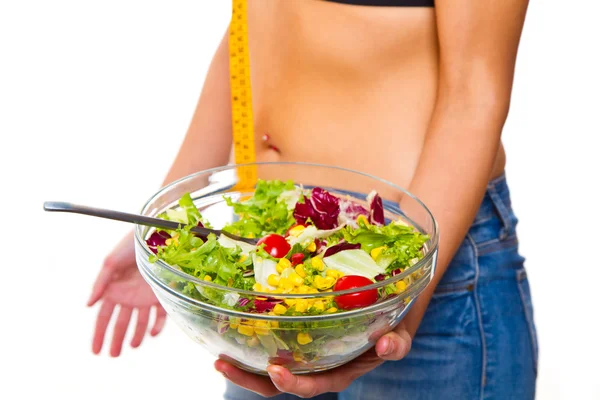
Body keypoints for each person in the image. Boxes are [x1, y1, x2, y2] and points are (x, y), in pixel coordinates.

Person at [87, 0, 537, 398]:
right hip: (270, 271)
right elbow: (251, 28)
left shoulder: (401, 291)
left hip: (414, 268)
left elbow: (473, 96)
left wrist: (394, 307)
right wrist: (166, 225)